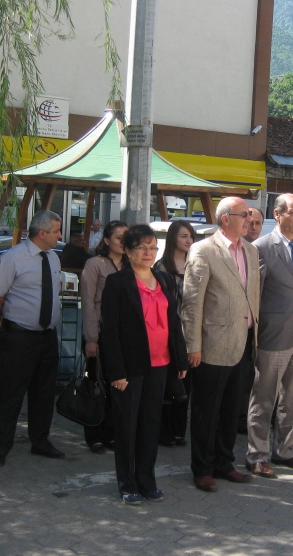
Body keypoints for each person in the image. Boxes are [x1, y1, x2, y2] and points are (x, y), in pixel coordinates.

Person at [100, 224, 188, 505]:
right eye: (141, 248)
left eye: (153, 247)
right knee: (127, 426)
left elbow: (174, 322)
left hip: (160, 364)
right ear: (127, 250)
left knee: (150, 425)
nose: (148, 253)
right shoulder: (117, 283)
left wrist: (180, 358)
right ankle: (127, 484)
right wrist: (117, 372)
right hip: (130, 367)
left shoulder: (164, 279)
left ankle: (147, 481)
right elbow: (109, 331)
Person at [182, 197, 260, 492]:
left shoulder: (251, 251)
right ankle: (202, 468)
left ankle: (224, 463)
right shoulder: (203, 250)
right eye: (244, 216)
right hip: (212, 345)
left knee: (231, 410)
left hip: (244, 343)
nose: (249, 221)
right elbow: (192, 302)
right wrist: (193, 345)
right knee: (206, 410)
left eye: (250, 217)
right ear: (226, 218)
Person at [0, 210, 64, 467]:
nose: (60, 235)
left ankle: (40, 441)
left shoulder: (53, 259)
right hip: (19, 337)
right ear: (42, 233)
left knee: (44, 393)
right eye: (56, 231)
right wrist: (13, 317)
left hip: (47, 337)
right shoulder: (13, 258)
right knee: (10, 394)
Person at [247, 193, 293, 478]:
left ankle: (285, 450)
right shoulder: (261, 247)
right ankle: (257, 455)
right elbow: (255, 294)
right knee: (264, 401)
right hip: (273, 336)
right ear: (278, 214)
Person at [80, 220, 129, 454]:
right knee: (96, 386)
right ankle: (94, 434)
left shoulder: (132, 265)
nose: (123, 242)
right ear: (107, 240)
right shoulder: (95, 264)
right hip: (99, 334)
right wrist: (91, 338)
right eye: (118, 237)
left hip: (124, 337)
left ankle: (111, 433)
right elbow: (88, 302)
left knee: (118, 388)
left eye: (126, 237)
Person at [153, 220, 196, 446]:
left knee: (185, 383)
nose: (188, 240)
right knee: (168, 384)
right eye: (183, 236)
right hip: (169, 333)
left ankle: (179, 430)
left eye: (190, 236)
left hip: (191, 332)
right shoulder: (161, 267)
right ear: (173, 239)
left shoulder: (196, 263)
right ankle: (164, 431)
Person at [237, 208, 265, 434]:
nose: (253, 226)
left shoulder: (255, 251)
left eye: (258, 223)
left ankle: (243, 417)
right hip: (230, 329)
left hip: (255, 328)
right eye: (249, 221)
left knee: (248, 376)